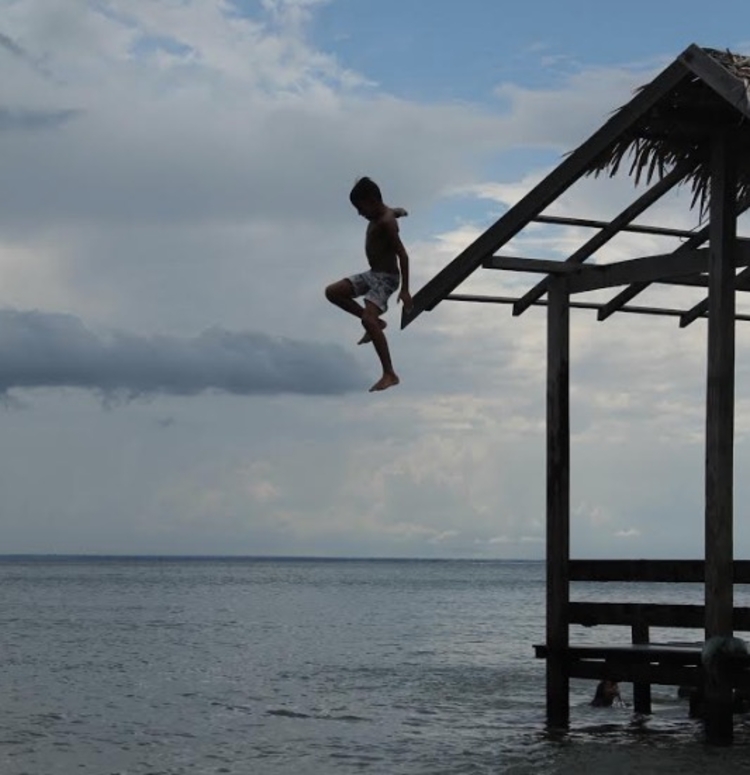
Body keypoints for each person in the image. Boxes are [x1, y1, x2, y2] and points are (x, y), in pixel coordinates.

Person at [325, 177, 412, 392]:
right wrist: (400, 210)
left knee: (368, 321)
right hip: (373, 274)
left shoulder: (386, 222)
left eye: (360, 208)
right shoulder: (383, 214)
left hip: (387, 279)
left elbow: (403, 255)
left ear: (371, 201)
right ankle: (376, 324)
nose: (359, 213)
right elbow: (393, 210)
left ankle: (389, 373)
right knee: (333, 292)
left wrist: (405, 290)